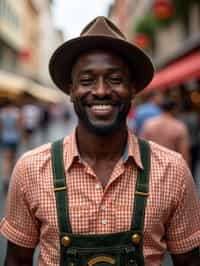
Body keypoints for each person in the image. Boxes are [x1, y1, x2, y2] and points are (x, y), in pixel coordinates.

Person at [0, 16, 200, 266]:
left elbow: (190, 262)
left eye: (115, 79)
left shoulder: (173, 170)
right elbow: (16, 260)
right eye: (87, 81)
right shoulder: (30, 169)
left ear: (133, 88)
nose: (102, 90)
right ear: (71, 90)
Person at [141, 97, 191, 166]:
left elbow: (142, 147)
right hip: (173, 166)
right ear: (174, 109)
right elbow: (184, 153)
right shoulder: (179, 127)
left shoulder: (149, 124)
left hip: (152, 165)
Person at [0, 97, 23, 193]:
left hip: (5, 138)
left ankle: (6, 177)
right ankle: (12, 178)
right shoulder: (17, 112)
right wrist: (22, 136)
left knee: (6, 159)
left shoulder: (2, 113)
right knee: (13, 158)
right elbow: (20, 126)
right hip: (15, 138)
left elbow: (1, 127)